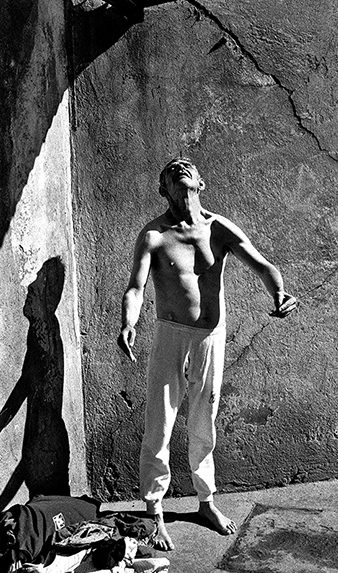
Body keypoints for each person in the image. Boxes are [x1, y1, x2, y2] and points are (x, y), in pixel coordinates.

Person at [117, 158, 297, 551]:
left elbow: (262, 265)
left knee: (204, 424)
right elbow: (136, 286)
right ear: (163, 189)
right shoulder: (154, 235)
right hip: (171, 337)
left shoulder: (219, 229)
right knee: (159, 425)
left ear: (201, 183)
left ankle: (206, 502)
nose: (180, 169)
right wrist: (129, 322)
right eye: (172, 172)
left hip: (210, 339)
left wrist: (279, 293)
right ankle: (153, 510)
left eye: (188, 170)